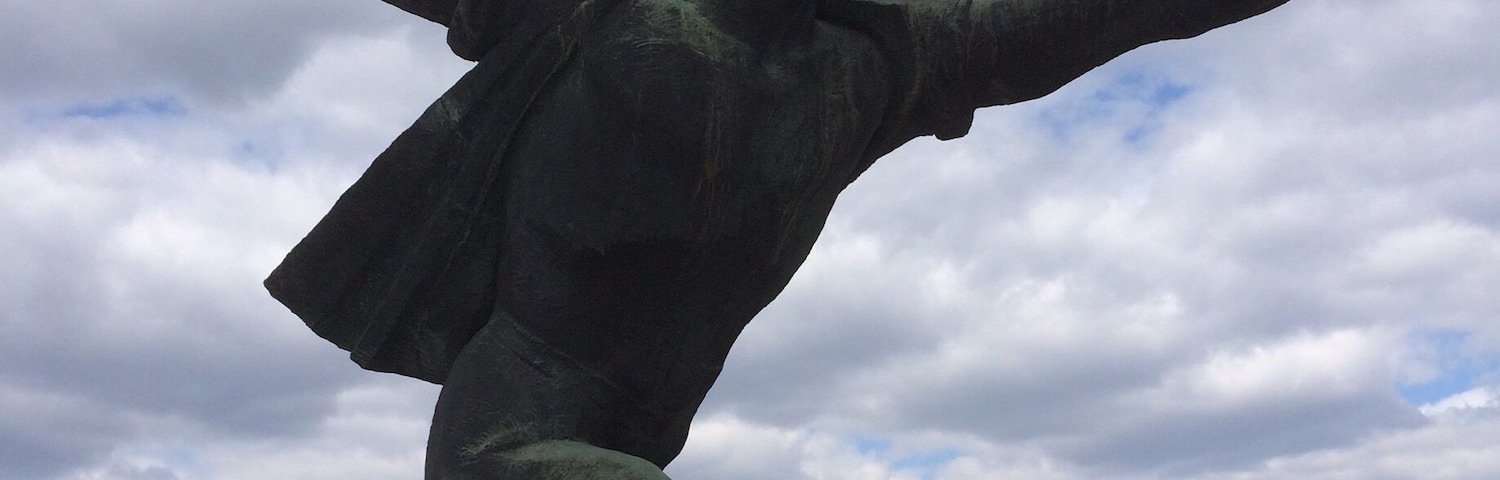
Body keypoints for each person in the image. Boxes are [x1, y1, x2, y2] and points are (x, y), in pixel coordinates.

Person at [265, 0, 1292, 478]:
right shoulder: (597, 12)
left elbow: (1112, 15)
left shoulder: (881, 63)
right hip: (512, 433)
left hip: (643, 432)